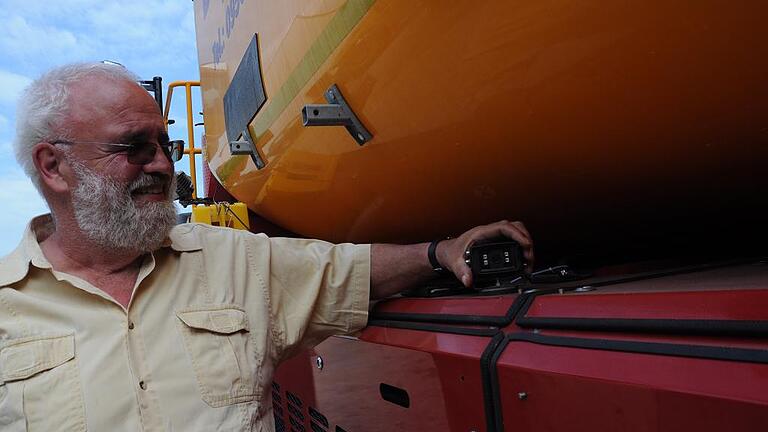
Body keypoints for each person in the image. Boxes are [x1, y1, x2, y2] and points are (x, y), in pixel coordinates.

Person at [0, 63, 533, 431]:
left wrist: (441, 251)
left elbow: (350, 270)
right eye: (134, 147)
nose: (163, 164)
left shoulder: (236, 260)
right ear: (54, 166)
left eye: (166, 145)